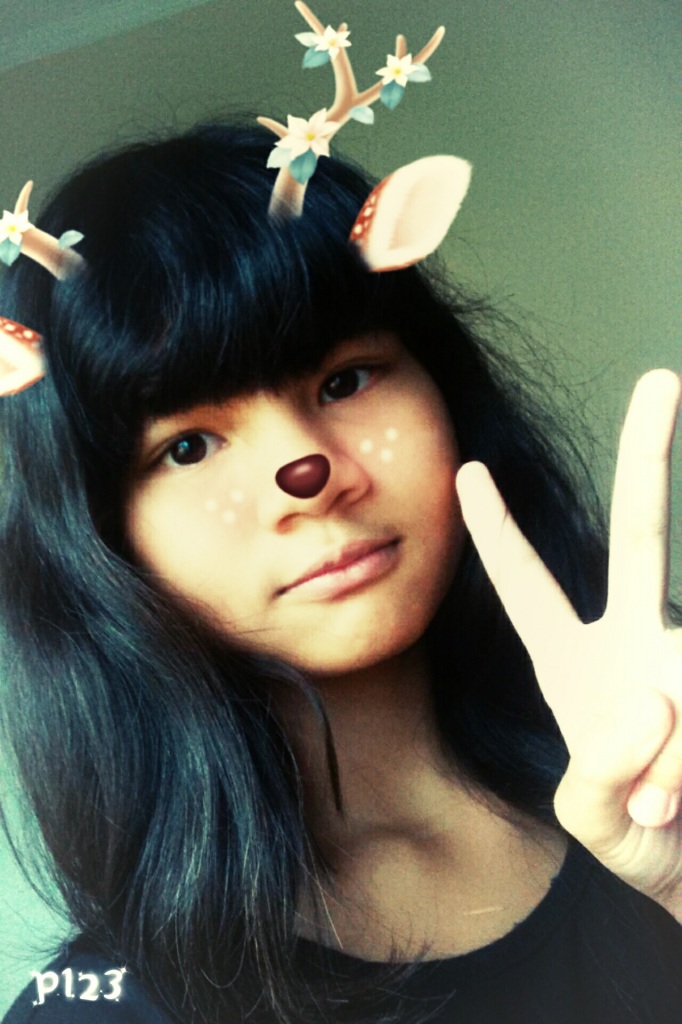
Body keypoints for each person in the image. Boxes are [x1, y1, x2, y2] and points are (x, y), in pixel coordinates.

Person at [0, 115, 679, 1024]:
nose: (308, 475)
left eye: (346, 380)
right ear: (101, 539)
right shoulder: (98, 1009)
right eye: (189, 445)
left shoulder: (658, 787)